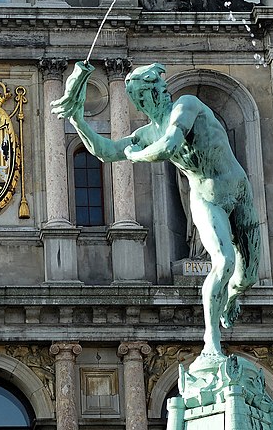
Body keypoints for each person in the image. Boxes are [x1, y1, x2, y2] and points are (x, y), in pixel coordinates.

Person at [51, 61, 260, 360]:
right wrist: (77, 121)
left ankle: (232, 296)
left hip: (239, 191)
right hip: (206, 198)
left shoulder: (186, 106)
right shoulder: (148, 132)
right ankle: (211, 340)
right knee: (224, 262)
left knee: (245, 277)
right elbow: (107, 151)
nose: (148, 99)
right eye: (141, 97)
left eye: (149, 93)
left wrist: (135, 156)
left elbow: (170, 146)